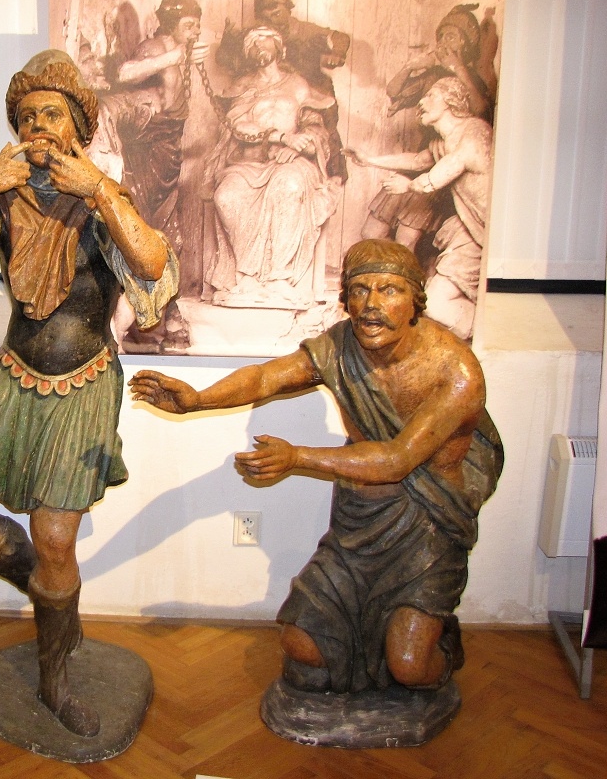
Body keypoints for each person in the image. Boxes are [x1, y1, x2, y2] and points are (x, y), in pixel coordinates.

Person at [0, 50, 176, 738]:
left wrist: (101, 192)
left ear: (78, 128)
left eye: (53, 114)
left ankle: (55, 673)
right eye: (28, 115)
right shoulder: (4, 195)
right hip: (15, 372)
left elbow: (152, 261)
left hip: (83, 378)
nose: (39, 126)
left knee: (56, 535)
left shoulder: (102, 194)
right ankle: (54, 604)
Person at [130, 239, 503, 697]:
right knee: (301, 647)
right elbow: (267, 377)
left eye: (389, 290)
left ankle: (439, 647)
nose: (371, 304)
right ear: (345, 298)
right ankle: (372, 656)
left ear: (415, 301)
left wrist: (297, 457)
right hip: (358, 525)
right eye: (360, 290)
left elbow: (397, 460)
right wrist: (197, 399)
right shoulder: (341, 345)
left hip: (427, 532)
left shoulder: (456, 371)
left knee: (409, 667)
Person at [202, 27, 338, 307]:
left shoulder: (297, 84)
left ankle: (279, 277)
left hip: (291, 161)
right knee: (226, 196)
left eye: (265, 41)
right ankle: (246, 277)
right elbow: (238, 126)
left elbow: (315, 126)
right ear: (247, 54)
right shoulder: (242, 86)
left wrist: (300, 145)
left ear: (280, 48)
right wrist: (282, 137)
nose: (259, 47)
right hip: (248, 162)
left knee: (288, 186)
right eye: (252, 44)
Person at [348, 77, 493, 339]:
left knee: (435, 304)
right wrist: (369, 160)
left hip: (484, 230)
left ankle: (490, 334)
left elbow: (446, 169)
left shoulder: (474, 131)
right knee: (433, 303)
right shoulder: (442, 141)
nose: (422, 102)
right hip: (469, 227)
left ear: (450, 101)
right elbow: (417, 160)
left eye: (430, 96)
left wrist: (409, 186)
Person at [108, 0, 208, 353]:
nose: (195, 32)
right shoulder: (155, 47)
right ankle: (136, 321)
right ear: (171, 22)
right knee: (145, 232)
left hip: (169, 151)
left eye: (197, 25)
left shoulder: (180, 49)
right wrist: (172, 57)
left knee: (167, 234)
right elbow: (124, 73)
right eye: (189, 24)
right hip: (148, 152)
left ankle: (157, 315)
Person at [365, 3, 498, 251]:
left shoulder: (472, 79)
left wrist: (458, 69)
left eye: (451, 36)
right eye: (441, 36)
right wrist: (411, 66)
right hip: (422, 157)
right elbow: (393, 91)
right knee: (372, 231)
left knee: (406, 238)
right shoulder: (432, 74)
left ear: (466, 43)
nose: (443, 42)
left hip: (444, 168)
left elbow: (481, 111)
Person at [250, 0, 351, 181]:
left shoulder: (305, 30)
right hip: (281, 96)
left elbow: (340, 38)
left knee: (326, 133)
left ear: (288, 7)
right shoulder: (262, 35)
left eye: (276, 12)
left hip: (312, 94)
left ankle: (333, 177)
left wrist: (337, 53)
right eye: (266, 16)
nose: (272, 19)